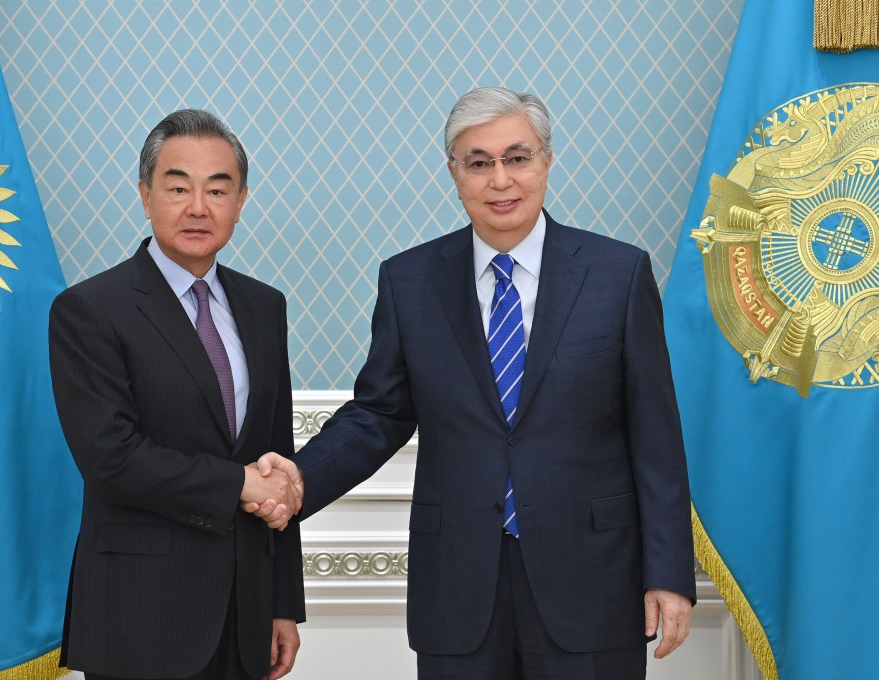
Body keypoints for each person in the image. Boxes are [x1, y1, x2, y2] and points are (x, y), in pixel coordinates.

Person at [252, 86, 695, 679]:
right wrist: (300, 480)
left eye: (518, 157)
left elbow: (655, 436)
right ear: (454, 174)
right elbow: (378, 415)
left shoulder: (618, 273)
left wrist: (668, 573)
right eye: (479, 162)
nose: (501, 180)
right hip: (458, 586)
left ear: (547, 161)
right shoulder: (409, 281)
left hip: (592, 581)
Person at [49, 109, 304, 680]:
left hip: (246, 612)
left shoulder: (265, 307)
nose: (198, 207)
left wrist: (284, 603)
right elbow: (110, 457)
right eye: (178, 186)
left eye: (218, 189)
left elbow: (276, 456)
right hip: (140, 614)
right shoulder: (90, 309)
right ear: (145, 195)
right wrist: (238, 483)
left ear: (240, 201)